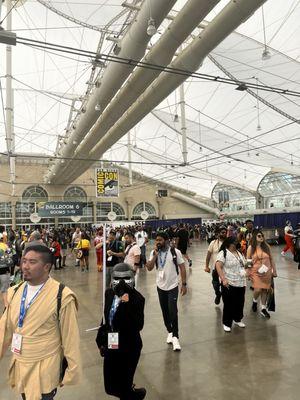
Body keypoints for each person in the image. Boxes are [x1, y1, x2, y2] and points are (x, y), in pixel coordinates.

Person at [0, 244, 82, 400]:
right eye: (24, 261)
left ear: (46, 267)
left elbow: (70, 337)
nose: (25, 266)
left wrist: (72, 369)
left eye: (32, 262)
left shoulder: (62, 296)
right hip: (20, 361)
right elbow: (4, 328)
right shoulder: (14, 291)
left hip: (45, 365)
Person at [96, 263, 146, 400]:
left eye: (125, 279)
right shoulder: (109, 294)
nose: (122, 283)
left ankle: (131, 393)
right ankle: (132, 393)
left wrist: (125, 306)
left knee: (123, 384)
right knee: (110, 386)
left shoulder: (138, 299)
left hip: (130, 346)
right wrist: (101, 341)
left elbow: (138, 325)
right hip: (112, 340)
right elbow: (106, 318)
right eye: (118, 279)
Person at [146, 231, 187, 351]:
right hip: (160, 286)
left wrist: (184, 284)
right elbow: (149, 268)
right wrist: (155, 255)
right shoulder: (154, 252)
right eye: (157, 240)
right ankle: (169, 331)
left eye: (160, 240)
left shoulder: (175, 252)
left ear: (166, 240)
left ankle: (176, 337)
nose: (158, 242)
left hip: (173, 286)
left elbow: (182, 268)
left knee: (172, 310)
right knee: (164, 311)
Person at [215, 237, 247, 332]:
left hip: (241, 282)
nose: (237, 243)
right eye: (235, 242)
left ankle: (237, 319)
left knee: (240, 302)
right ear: (229, 243)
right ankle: (227, 323)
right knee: (229, 304)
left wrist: (249, 266)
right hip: (229, 283)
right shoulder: (223, 253)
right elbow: (218, 266)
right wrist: (223, 279)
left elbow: (244, 264)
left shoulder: (239, 253)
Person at [247, 230, 277, 318]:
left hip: (266, 271)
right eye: (259, 236)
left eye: (262, 236)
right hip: (255, 272)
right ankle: (254, 300)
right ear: (254, 237)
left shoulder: (267, 246)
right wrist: (248, 272)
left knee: (265, 290)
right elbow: (248, 261)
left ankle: (263, 309)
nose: (261, 237)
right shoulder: (250, 248)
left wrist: (274, 271)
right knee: (258, 290)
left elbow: (271, 259)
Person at [204, 226, 227, 305]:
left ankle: (225, 300)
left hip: (226, 270)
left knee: (225, 286)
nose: (224, 234)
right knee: (215, 285)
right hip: (215, 269)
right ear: (218, 234)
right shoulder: (213, 243)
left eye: (225, 232)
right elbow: (208, 256)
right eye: (222, 232)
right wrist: (206, 266)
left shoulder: (228, 243)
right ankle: (218, 294)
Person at [0, 233, 11, 308]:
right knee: (5, 288)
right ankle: (6, 304)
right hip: (4, 270)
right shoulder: (5, 246)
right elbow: (10, 257)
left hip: (4, 270)